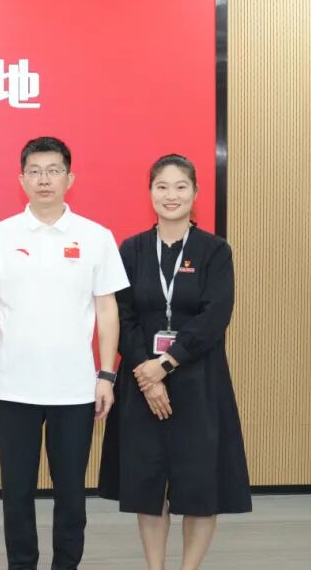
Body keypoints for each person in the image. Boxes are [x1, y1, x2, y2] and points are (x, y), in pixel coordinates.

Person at [0, 136, 129, 570]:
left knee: (71, 493)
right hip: (13, 388)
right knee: (16, 491)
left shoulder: (95, 236)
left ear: (69, 178)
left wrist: (106, 374)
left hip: (75, 389)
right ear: (21, 179)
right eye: (35, 171)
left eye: (54, 170)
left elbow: (107, 309)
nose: (44, 179)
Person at [98, 154, 251, 570]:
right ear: (150, 192)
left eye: (181, 187)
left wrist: (165, 364)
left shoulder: (215, 251)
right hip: (141, 381)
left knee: (201, 486)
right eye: (162, 186)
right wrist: (148, 375)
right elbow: (121, 316)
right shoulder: (131, 250)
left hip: (199, 380)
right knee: (148, 485)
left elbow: (215, 315)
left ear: (195, 192)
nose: (171, 195)